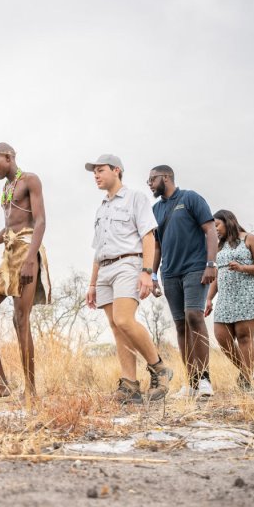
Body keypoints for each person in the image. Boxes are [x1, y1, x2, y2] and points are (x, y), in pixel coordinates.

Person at [85, 155, 173, 404]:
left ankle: (159, 368)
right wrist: (92, 283)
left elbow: (148, 236)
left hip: (128, 263)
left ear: (117, 170)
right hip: (105, 268)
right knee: (116, 326)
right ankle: (130, 384)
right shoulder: (101, 207)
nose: (96, 175)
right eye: (94, 172)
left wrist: (147, 271)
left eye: (100, 170)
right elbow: (97, 249)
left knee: (125, 319)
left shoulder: (136, 198)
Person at [0, 142, 51, 402]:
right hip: (8, 253)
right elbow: (8, 228)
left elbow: (40, 221)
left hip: (26, 250)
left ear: (9, 157)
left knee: (20, 320)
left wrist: (31, 259)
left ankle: (31, 390)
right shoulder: (5, 188)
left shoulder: (30, 180)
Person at [148, 165, 218, 398]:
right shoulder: (156, 209)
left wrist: (211, 264)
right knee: (180, 325)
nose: (149, 183)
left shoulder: (190, 198)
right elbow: (156, 245)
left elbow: (210, 230)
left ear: (166, 177)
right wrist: (153, 275)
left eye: (152, 179)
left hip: (195, 268)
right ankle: (192, 383)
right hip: (169, 273)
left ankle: (205, 379)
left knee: (194, 316)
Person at [205, 209, 254, 391]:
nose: (215, 229)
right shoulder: (219, 246)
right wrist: (209, 298)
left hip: (247, 295)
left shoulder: (248, 239)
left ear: (228, 221)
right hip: (226, 297)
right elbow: (218, 275)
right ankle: (246, 370)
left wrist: (242, 268)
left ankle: (246, 380)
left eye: (217, 225)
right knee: (222, 336)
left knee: (244, 337)